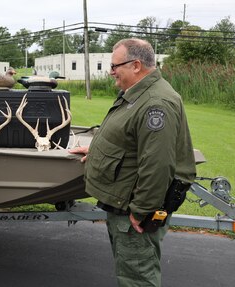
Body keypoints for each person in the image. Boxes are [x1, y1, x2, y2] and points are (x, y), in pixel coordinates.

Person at [70, 38, 196, 287]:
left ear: (136, 65)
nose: (111, 71)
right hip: (123, 204)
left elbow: (157, 166)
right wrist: (96, 150)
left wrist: (141, 212)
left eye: (116, 66)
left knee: (136, 279)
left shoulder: (154, 104)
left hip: (133, 213)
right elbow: (129, 139)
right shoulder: (139, 95)